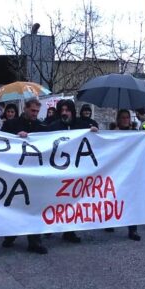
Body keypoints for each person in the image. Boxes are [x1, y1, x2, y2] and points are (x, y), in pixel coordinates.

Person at [45, 99, 99, 243]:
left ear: (72, 111)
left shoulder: (82, 126)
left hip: (75, 172)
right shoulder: (52, 127)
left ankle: (69, 231)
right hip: (57, 171)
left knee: (71, 201)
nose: (64, 113)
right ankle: (49, 225)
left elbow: (95, 140)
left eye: (67, 110)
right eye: (61, 110)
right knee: (55, 200)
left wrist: (94, 132)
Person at [0, 98, 49, 254]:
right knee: (14, 204)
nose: (35, 114)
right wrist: (15, 137)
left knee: (34, 206)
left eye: (37, 111)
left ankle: (34, 240)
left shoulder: (41, 127)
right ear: (25, 109)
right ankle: (11, 234)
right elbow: (0, 143)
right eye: (33, 110)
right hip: (15, 172)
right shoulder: (11, 124)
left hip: (35, 173)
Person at [103, 109, 142, 241]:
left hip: (130, 172)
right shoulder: (113, 134)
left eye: (127, 118)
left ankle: (133, 229)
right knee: (113, 197)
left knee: (131, 199)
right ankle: (109, 221)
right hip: (116, 171)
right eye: (123, 118)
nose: (126, 120)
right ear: (118, 119)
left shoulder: (135, 134)